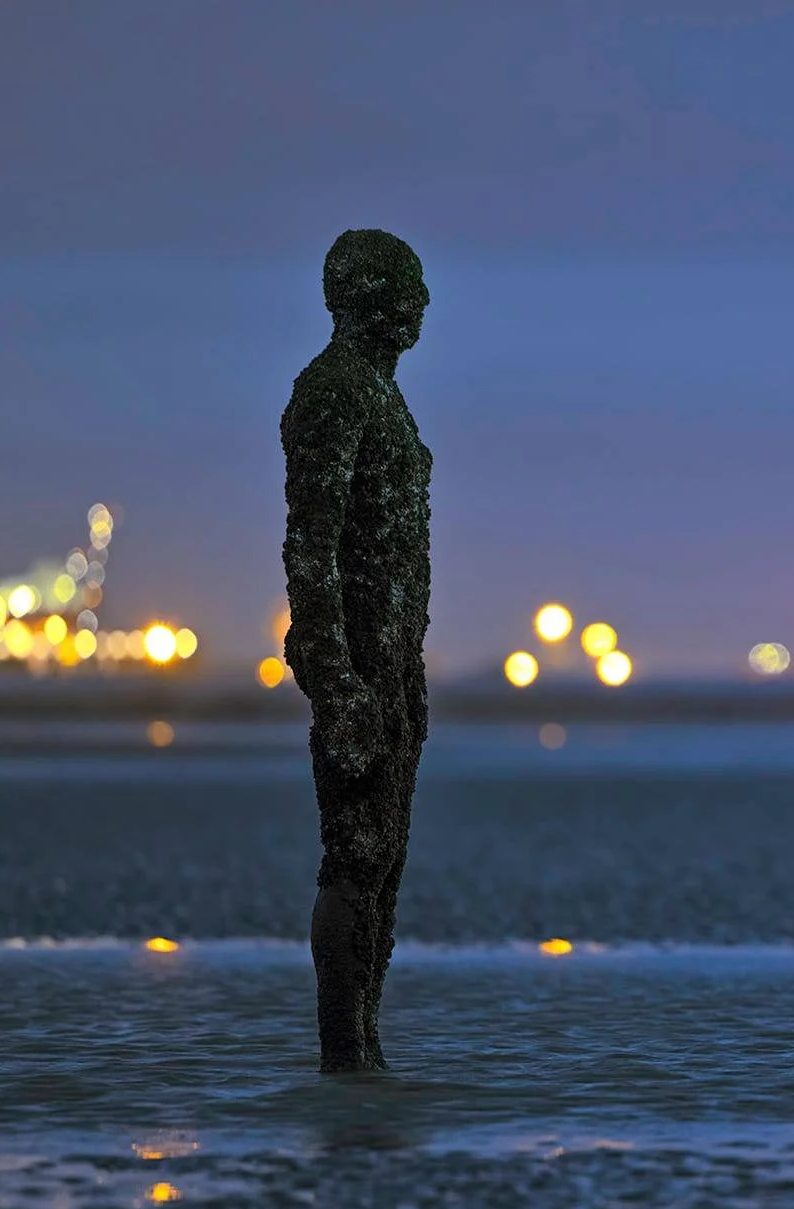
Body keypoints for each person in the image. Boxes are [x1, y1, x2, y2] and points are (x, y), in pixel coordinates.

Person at [280, 229, 433, 1073]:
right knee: (357, 854)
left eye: (417, 285)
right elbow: (311, 548)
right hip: (359, 667)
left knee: (386, 864)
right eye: (401, 284)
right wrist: (337, 681)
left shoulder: (382, 396)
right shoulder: (334, 393)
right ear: (358, 294)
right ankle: (345, 1051)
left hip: (397, 664)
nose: (418, 302)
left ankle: (368, 1043)